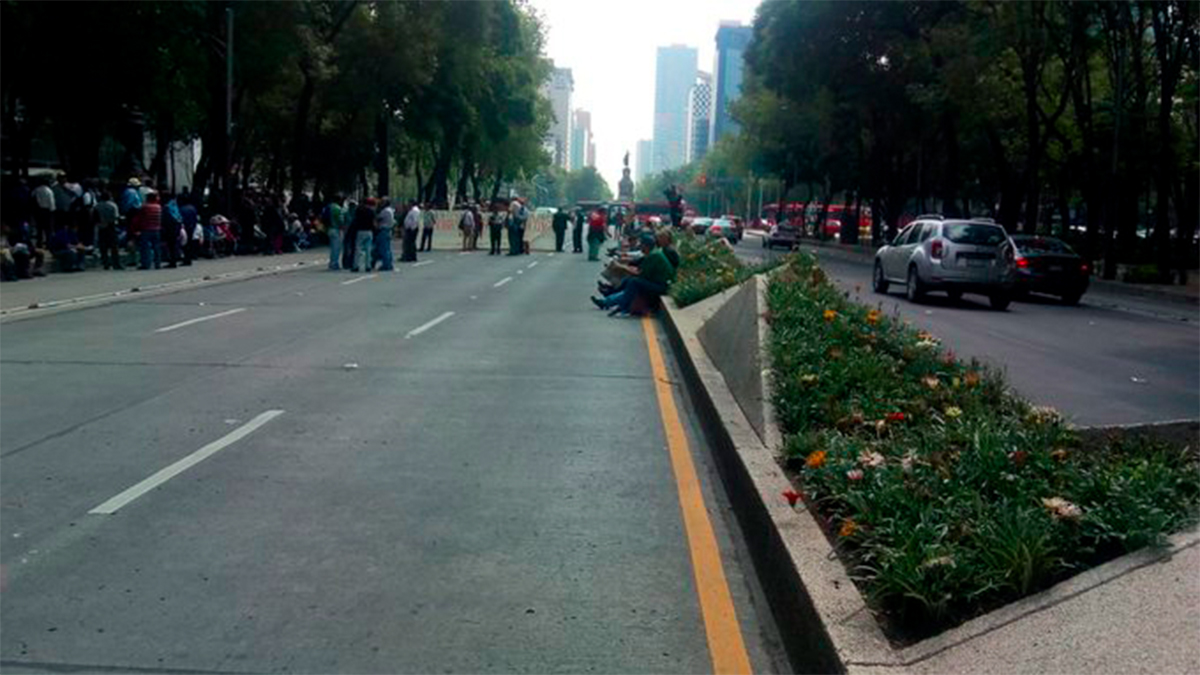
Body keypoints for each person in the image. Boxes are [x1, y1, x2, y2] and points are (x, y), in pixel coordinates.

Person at [591, 232, 675, 316]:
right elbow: (641, 270)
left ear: (646, 246)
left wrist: (624, 268)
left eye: (641, 245)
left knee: (633, 282)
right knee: (631, 282)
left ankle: (620, 304)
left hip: (662, 286)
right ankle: (609, 301)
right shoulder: (653, 254)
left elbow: (640, 274)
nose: (640, 247)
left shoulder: (654, 255)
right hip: (657, 282)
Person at [132, 191, 163, 270]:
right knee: (156, 247)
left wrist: (136, 228)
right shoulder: (158, 207)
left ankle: (146, 264)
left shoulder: (145, 207)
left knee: (145, 248)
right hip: (157, 229)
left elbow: (139, 218)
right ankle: (157, 263)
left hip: (146, 229)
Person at [96, 190, 123, 270]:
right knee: (114, 246)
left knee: (103, 247)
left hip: (101, 226)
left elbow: (94, 216)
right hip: (111, 226)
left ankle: (106, 263)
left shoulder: (97, 206)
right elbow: (116, 216)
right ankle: (116, 263)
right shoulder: (113, 205)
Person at [351, 197, 377, 272]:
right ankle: (368, 266)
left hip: (360, 230)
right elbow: (374, 222)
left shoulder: (359, 210)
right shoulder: (372, 211)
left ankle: (356, 266)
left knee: (358, 249)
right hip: (369, 231)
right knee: (368, 249)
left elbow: (355, 220)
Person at [322, 194, 345, 270]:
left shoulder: (328, 207)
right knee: (336, 248)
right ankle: (334, 263)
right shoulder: (337, 208)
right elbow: (340, 220)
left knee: (332, 247)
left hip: (329, 228)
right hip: (336, 229)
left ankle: (332, 262)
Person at [31, 178, 55, 247]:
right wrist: (52, 210)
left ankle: (39, 242)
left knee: (39, 228)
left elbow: (32, 197)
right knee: (48, 228)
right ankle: (48, 242)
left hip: (38, 210)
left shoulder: (36, 190)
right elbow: (51, 202)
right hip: (47, 211)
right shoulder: (49, 191)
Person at [375, 198, 396, 271]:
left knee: (384, 248)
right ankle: (389, 263)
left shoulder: (385, 211)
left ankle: (386, 264)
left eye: (382, 202)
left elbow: (378, 218)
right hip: (388, 230)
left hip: (384, 230)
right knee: (387, 248)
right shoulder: (390, 210)